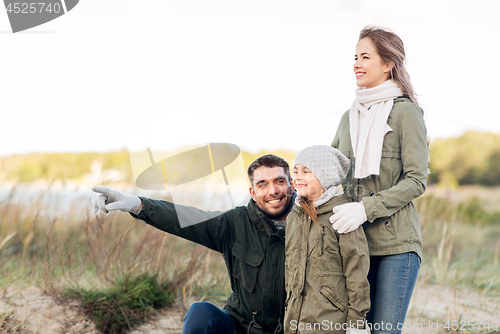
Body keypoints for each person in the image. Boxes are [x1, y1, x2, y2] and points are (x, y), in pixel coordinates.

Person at [93, 154, 295, 334]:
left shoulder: (312, 226)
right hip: (240, 328)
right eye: (262, 184)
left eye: (279, 181)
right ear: (252, 192)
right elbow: (187, 219)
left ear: (292, 185)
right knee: (201, 312)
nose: (273, 190)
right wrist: (137, 205)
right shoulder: (235, 224)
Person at [330, 26, 429, 334]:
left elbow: (416, 180)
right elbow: (330, 174)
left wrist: (366, 208)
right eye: (355, 57)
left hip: (397, 244)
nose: (356, 64)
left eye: (365, 57)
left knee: (384, 331)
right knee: (354, 331)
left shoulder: (406, 113)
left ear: (388, 64)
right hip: (353, 246)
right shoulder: (348, 118)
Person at [284, 145, 370, 334]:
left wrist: (356, 322)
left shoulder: (343, 214)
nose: (297, 177)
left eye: (306, 171)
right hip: (294, 321)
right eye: (295, 171)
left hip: (329, 322)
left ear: (325, 176)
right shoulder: (294, 216)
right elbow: (290, 269)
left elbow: (356, 270)